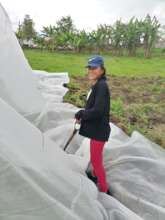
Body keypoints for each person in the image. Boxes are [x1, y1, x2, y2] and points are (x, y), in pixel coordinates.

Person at [74, 55, 111, 195]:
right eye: (89, 68)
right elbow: (94, 108)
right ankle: (96, 177)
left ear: (102, 69)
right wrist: (82, 114)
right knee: (96, 158)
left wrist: (82, 113)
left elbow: (98, 111)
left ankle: (103, 189)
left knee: (96, 161)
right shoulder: (98, 84)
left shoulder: (101, 86)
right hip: (97, 129)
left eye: (95, 68)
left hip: (99, 131)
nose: (91, 70)